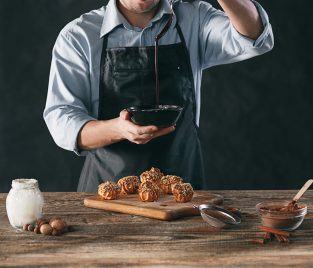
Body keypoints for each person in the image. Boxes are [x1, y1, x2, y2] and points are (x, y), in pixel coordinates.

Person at [44, 0, 274, 192]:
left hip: (182, 191)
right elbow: (62, 120)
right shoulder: (79, 36)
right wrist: (118, 129)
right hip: (108, 193)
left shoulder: (194, 19)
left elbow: (254, 37)